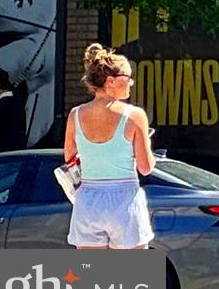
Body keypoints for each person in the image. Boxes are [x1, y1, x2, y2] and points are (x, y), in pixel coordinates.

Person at [64, 43, 156, 249]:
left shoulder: (75, 115)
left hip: (88, 199)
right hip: (124, 198)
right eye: (127, 77)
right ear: (110, 81)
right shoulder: (134, 115)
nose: (131, 82)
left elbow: (69, 156)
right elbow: (146, 167)